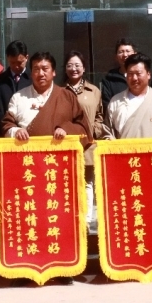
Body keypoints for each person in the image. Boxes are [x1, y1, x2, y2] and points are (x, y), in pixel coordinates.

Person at [63, 51, 104, 233]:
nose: (74, 69)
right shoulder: (60, 92)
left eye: (77, 65)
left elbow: (100, 116)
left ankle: (86, 221)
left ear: (84, 68)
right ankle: (70, 218)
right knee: (68, 182)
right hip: (66, 144)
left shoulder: (93, 91)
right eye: (70, 65)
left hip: (88, 144)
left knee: (87, 182)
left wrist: (94, 131)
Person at [103, 53, 152, 139]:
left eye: (138, 73)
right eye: (130, 74)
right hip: (122, 148)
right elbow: (107, 133)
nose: (134, 78)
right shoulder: (115, 101)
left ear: (148, 74)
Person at [0, 40, 31, 139]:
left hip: (28, 133)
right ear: (7, 58)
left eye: (20, 62)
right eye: (12, 62)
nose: (16, 66)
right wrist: (6, 121)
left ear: (26, 58)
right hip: (3, 132)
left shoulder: (33, 80)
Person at [99, 38, 136, 110]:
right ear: (116, 57)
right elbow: (106, 104)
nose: (125, 55)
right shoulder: (109, 79)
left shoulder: (143, 76)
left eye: (128, 51)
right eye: (121, 52)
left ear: (135, 54)